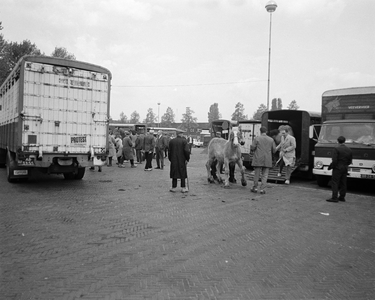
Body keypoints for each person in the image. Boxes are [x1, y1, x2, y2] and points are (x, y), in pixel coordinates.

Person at [250, 126, 276, 194]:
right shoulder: (271, 140)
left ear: (260, 131)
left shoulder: (257, 138)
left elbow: (252, 148)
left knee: (257, 174)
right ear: (266, 131)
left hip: (258, 158)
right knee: (265, 175)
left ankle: (255, 188)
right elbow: (274, 150)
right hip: (267, 159)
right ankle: (262, 189)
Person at [326, 136, 353, 203]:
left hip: (338, 167)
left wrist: (331, 167)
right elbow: (350, 160)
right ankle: (342, 197)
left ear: (338, 141)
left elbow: (334, 160)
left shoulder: (336, 149)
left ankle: (334, 197)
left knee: (335, 182)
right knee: (343, 182)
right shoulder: (349, 149)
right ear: (344, 141)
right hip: (345, 167)